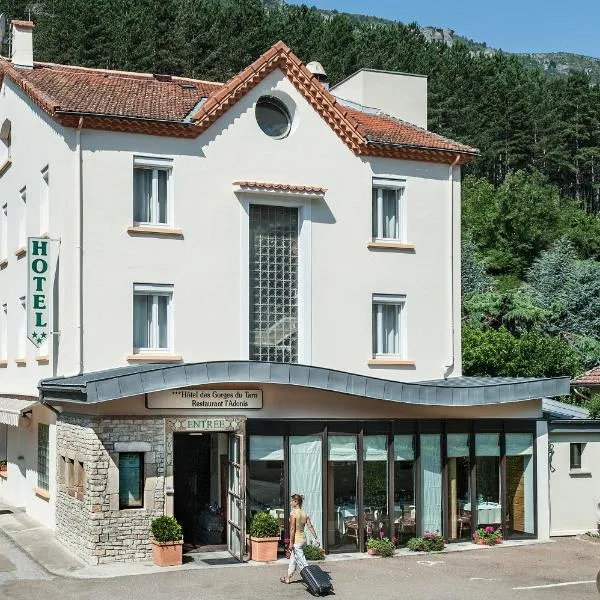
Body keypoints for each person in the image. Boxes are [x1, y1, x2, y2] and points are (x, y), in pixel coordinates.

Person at [280, 493, 319, 584]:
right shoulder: (304, 513)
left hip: (297, 541)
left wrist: (290, 543)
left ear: (296, 502)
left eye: (292, 501)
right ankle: (287, 577)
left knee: (303, 563)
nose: (290, 503)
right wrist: (316, 537)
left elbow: (292, 529)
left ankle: (314, 581)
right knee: (293, 559)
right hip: (303, 540)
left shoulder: (293, 513)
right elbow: (310, 526)